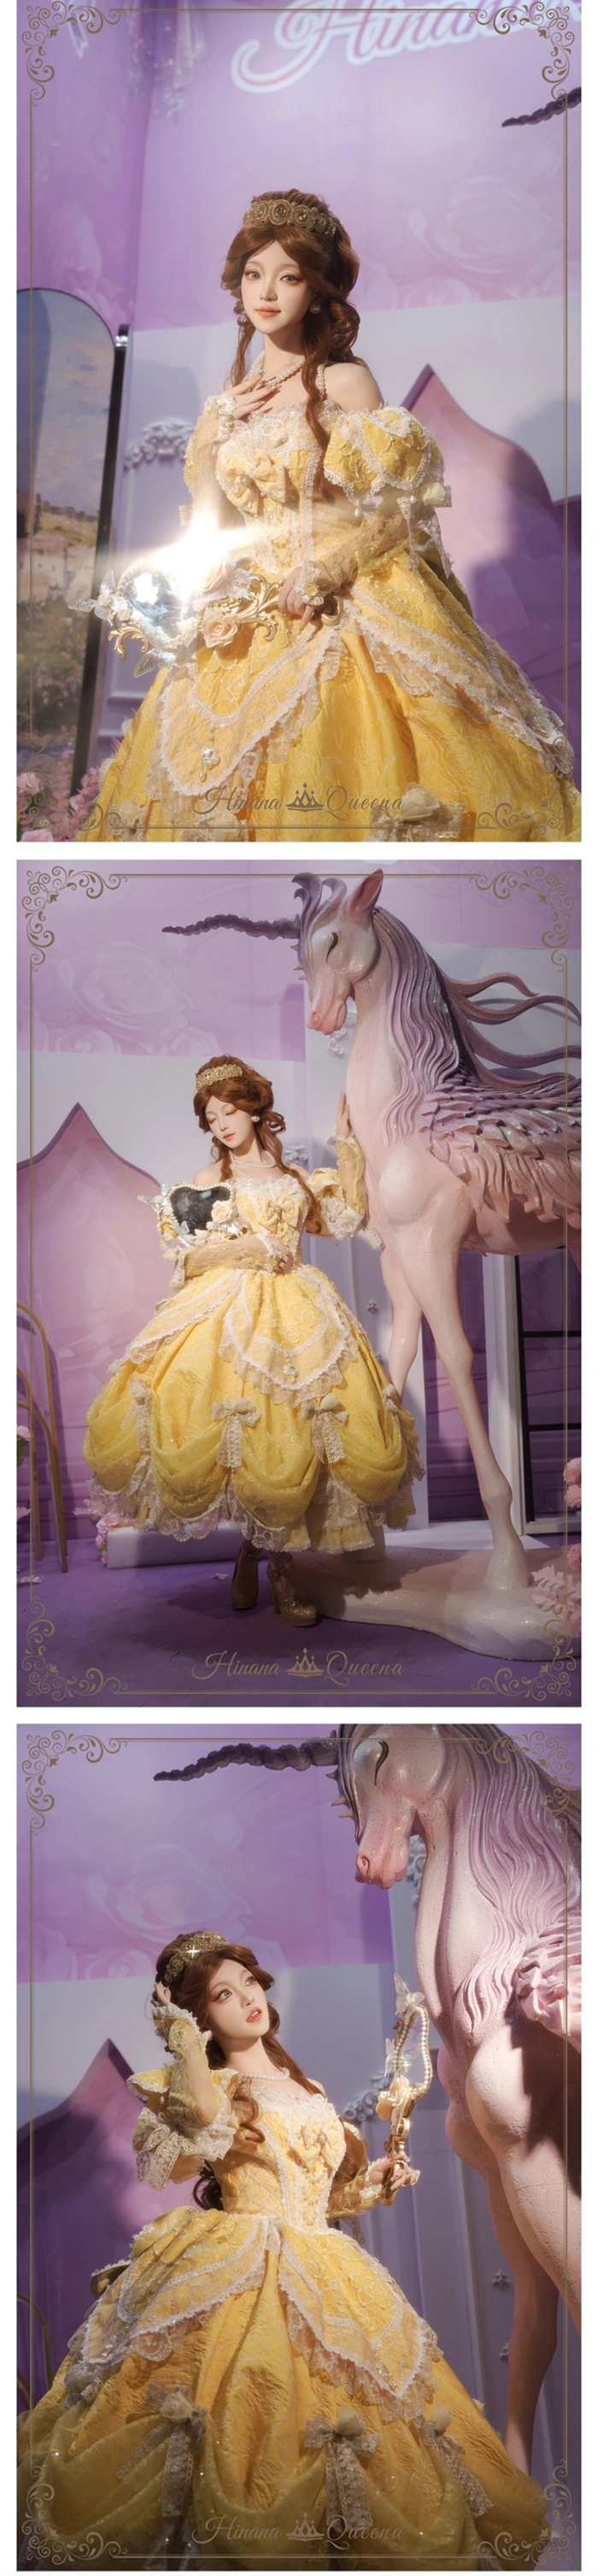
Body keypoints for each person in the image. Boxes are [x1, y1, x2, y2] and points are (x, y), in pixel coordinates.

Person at [18, 1932, 550, 2568]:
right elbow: (196, 2129)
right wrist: (183, 2039)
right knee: (252, 2407)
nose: (247, 1998)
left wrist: (369, 2184)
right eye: (222, 1994)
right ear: (199, 2015)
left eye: (248, 1982)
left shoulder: (308, 2085)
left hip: (326, 2265)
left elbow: (322, 2196)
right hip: (242, 2263)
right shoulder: (213, 2087)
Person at [83, 188, 579, 845]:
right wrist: (211, 439)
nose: (267, 292)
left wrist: (329, 568)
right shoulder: (226, 404)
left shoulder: (344, 383)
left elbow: (402, 513)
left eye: (288, 277)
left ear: (317, 292)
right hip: (250, 613)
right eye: (254, 274)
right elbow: (211, 530)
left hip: (341, 603)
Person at [83, 1055, 421, 1625]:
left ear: (254, 1110)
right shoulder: (206, 1183)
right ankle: (254, 1554)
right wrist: (250, 1248)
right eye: (211, 1117)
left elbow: (345, 1220)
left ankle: (277, 1566)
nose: (220, 1125)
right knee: (246, 1435)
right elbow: (188, 1262)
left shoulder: (296, 1179)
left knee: (287, 1436)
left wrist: (348, 1144)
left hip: (299, 1312)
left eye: (228, 1111)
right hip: (229, 1312)